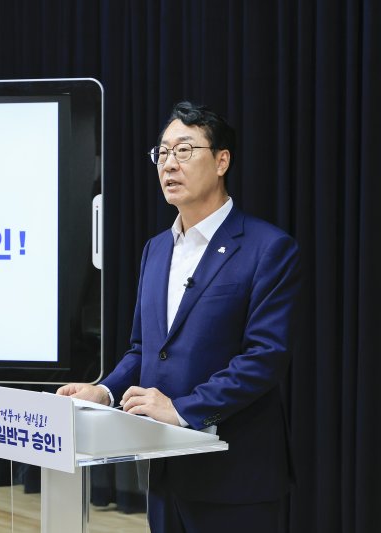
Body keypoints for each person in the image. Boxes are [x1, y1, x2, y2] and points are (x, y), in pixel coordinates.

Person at [58, 101, 300, 533]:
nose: (169, 164)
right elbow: (144, 349)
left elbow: (264, 357)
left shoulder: (268, 248)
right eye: (163, 153)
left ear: (222, 161)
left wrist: (182, 409)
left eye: (184, 150)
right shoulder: (156, 249)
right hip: (163, 468)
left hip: (234, 473)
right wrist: (105, 392)